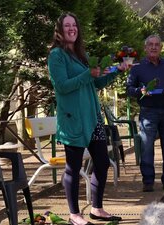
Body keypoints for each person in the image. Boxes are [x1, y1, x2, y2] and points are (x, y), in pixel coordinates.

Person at [48, 12, 129, 225]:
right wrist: (87, 75)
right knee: (73, 168)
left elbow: (96, 84)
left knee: (102, 164)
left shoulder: (80, 55)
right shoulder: (57, 55)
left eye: (74, 25)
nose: (72, 28)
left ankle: (97, 208)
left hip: (93, 119)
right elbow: (62, 86)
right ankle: (75, 215)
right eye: (67, 25)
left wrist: (115, 72)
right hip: (73, 120)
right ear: (59, 30)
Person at [126, 34, 164, 192]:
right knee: (147, 147)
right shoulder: (137, 67)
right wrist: (139, 91)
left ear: (161, 48)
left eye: (157, 44)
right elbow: (128, 89)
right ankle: (148, 181)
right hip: (148, 111)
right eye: (150, 44)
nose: (154, 47)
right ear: (145, 48)